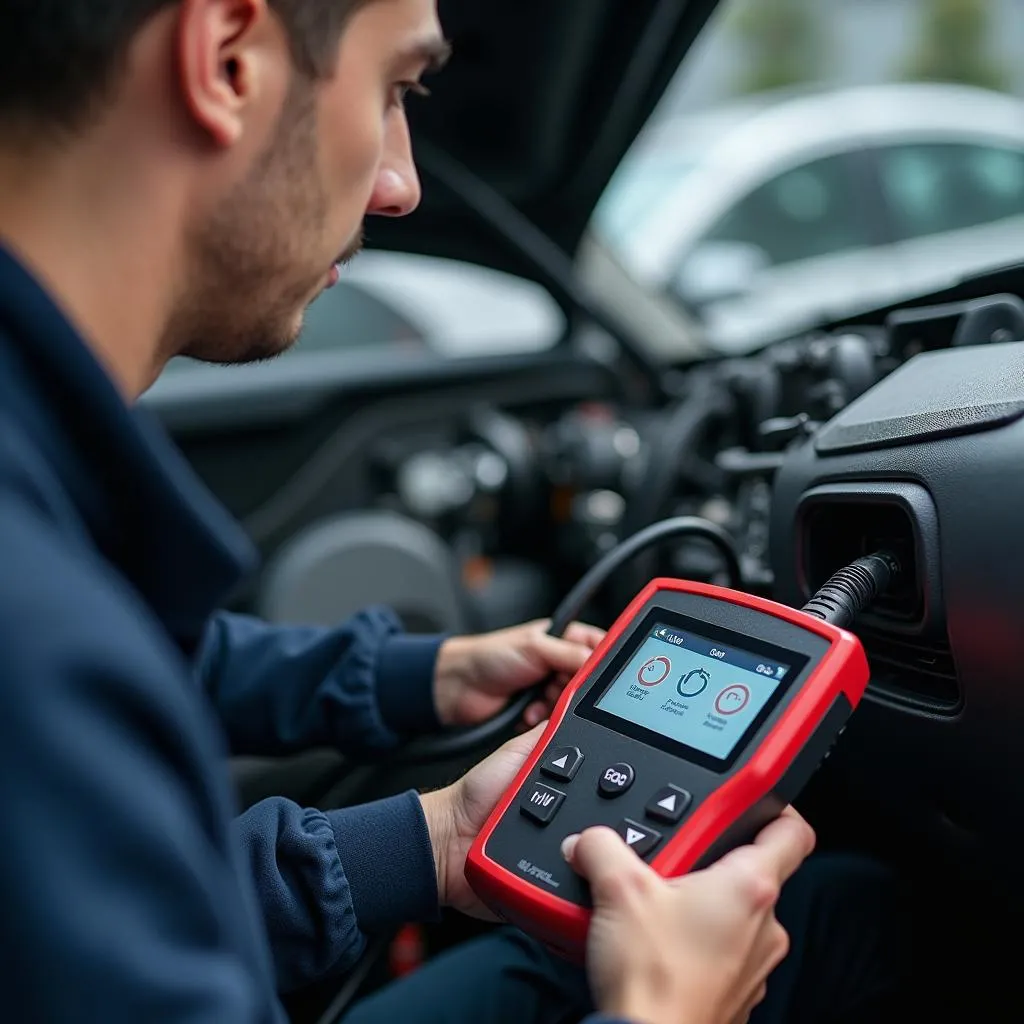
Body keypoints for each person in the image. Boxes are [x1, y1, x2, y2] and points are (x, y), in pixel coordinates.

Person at [0, 1, 903, 1022]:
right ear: (227, 57)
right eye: (393, 89)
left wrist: (428, 835)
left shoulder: (46, 542)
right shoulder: (39, 635)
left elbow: (119, 918)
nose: (401, 184)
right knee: (843, 917)